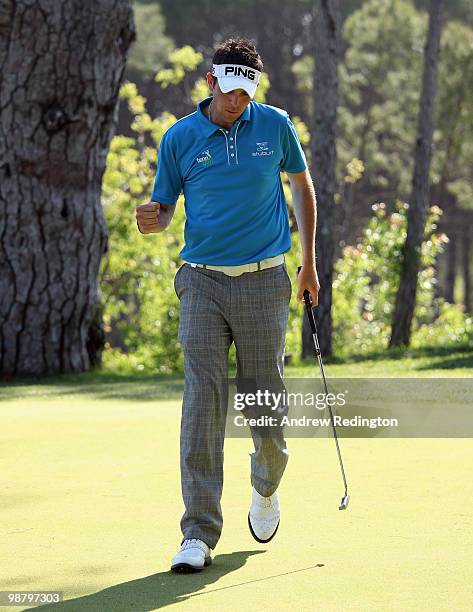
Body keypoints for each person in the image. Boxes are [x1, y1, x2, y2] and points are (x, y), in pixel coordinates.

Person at [136, 37, 319, 573]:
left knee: (264, 399)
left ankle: (266, 485)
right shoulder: (180, 138)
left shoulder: (275, 125)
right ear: (211, 81)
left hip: (266, 280)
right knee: (203, 402)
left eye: (247, 89)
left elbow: (302, 189)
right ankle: (198, 531)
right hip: (201, 282)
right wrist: (155, 218)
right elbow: (166, 208)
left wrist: (309, 263)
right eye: (229, 88)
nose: (237, 100)